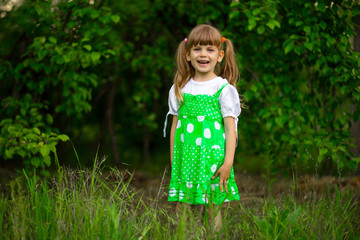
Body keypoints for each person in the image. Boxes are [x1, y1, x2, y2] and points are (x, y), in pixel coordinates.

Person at [163, 24, 243, 231]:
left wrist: (228, 163)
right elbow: (174, 126)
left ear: (220, 55)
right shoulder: (180, 87)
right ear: (188, 54)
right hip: (186, 157)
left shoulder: (223, 89)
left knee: (212, 206)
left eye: (210, 49)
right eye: (197, 49)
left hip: (212, 159)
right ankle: (182, 236)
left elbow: (230, 130)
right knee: (182, 204)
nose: (203, 55)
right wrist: (173, 159)